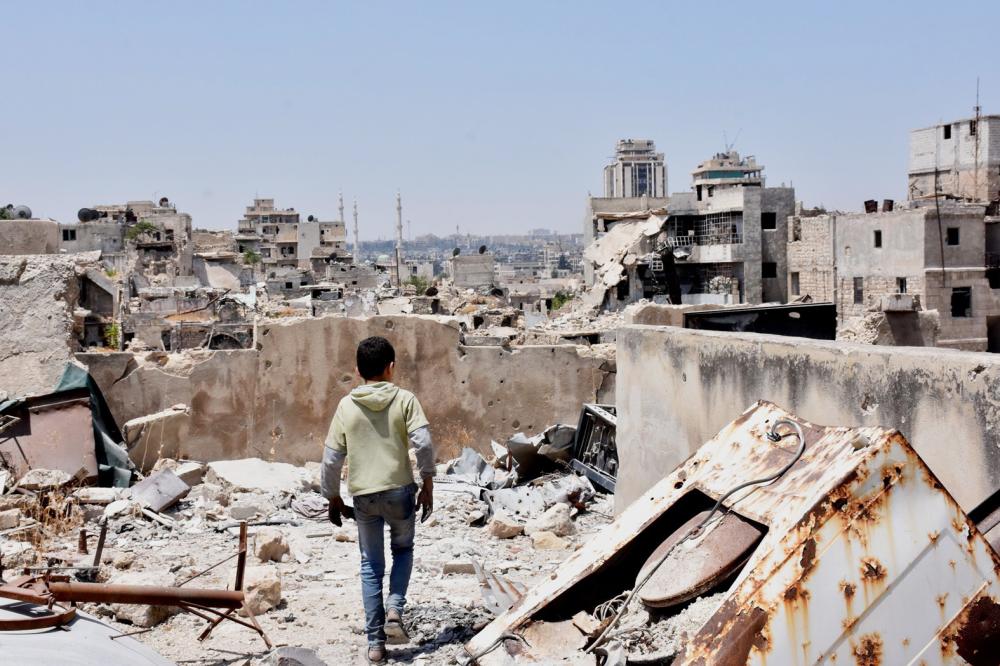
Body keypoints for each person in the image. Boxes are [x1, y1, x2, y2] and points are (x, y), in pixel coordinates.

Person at [320, 336, 434, 664]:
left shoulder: (346, 406)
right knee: (403, 550)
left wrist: (333, 497)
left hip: (364, 497)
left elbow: (330, 459)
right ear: (391, 368)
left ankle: (375, 644)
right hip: (400, 492)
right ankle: (395, 608)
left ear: (357, 371)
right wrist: (427, 483)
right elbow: (423, 443)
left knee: (371, 565)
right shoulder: (405, 400)